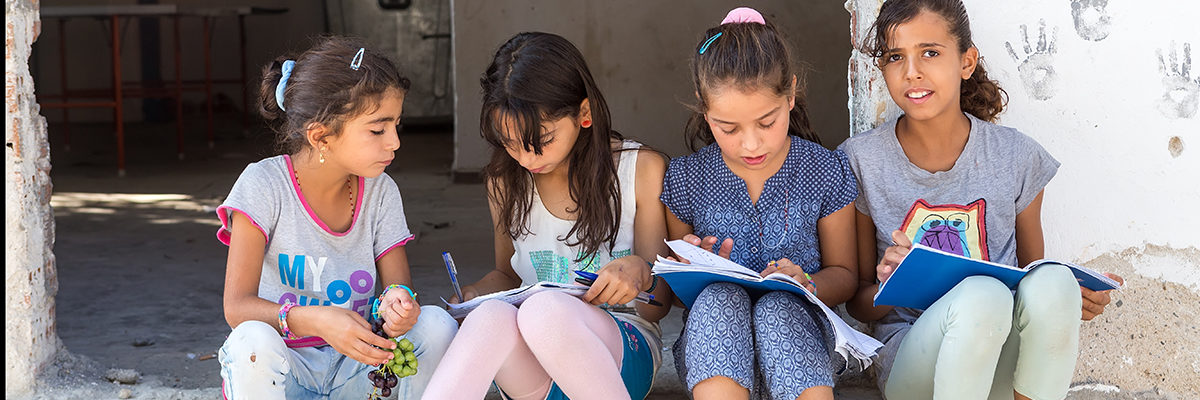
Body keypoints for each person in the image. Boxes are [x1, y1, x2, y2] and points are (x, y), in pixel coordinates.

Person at [839, 1, 1125, 399]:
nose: (912, 71)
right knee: (983, 296)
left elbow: (1033, 278)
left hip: (1001, 352)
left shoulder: (1016, 157)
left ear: (967, 62)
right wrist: (893, 282)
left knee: (1054, 281)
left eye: (931, 53)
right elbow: (859, 305)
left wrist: (1074, 298)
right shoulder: (860, 161)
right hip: (914, 365)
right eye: (894, 57)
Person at [420, 32, 672, 400]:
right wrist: (475, 295)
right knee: (488, 318)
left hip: (618, 357)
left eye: (541, 141)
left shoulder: (640, 170)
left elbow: (659, 306)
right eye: (509, 143)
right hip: (535, 372)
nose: (526, 159)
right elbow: (507, 275)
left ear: (584, 114)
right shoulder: (505, 181)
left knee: (544, 311)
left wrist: (640, 272)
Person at [215, 36, 456, 399]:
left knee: (437, 325)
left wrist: (398, 306)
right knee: (251, 341)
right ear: (321, 137)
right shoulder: (263, 185)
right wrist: (315, 320)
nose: (394, 142)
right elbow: (237, 308)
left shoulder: (380, 191)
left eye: (396, 126)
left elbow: (398, 286)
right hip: (287, 367)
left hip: (360, 369)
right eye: (377, 129)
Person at [659, 7, 860, 400]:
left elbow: (847, 274)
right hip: (713, 354)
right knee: (719, 299)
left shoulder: (824, 170)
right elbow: (676, 291)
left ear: (790, 96)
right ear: (704, 107)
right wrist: (691, 266)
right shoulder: (685, 180)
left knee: (777, 308)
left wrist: (808, 282)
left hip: (803, 346)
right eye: (728, 128)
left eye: (766, 123)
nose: (750, 144)